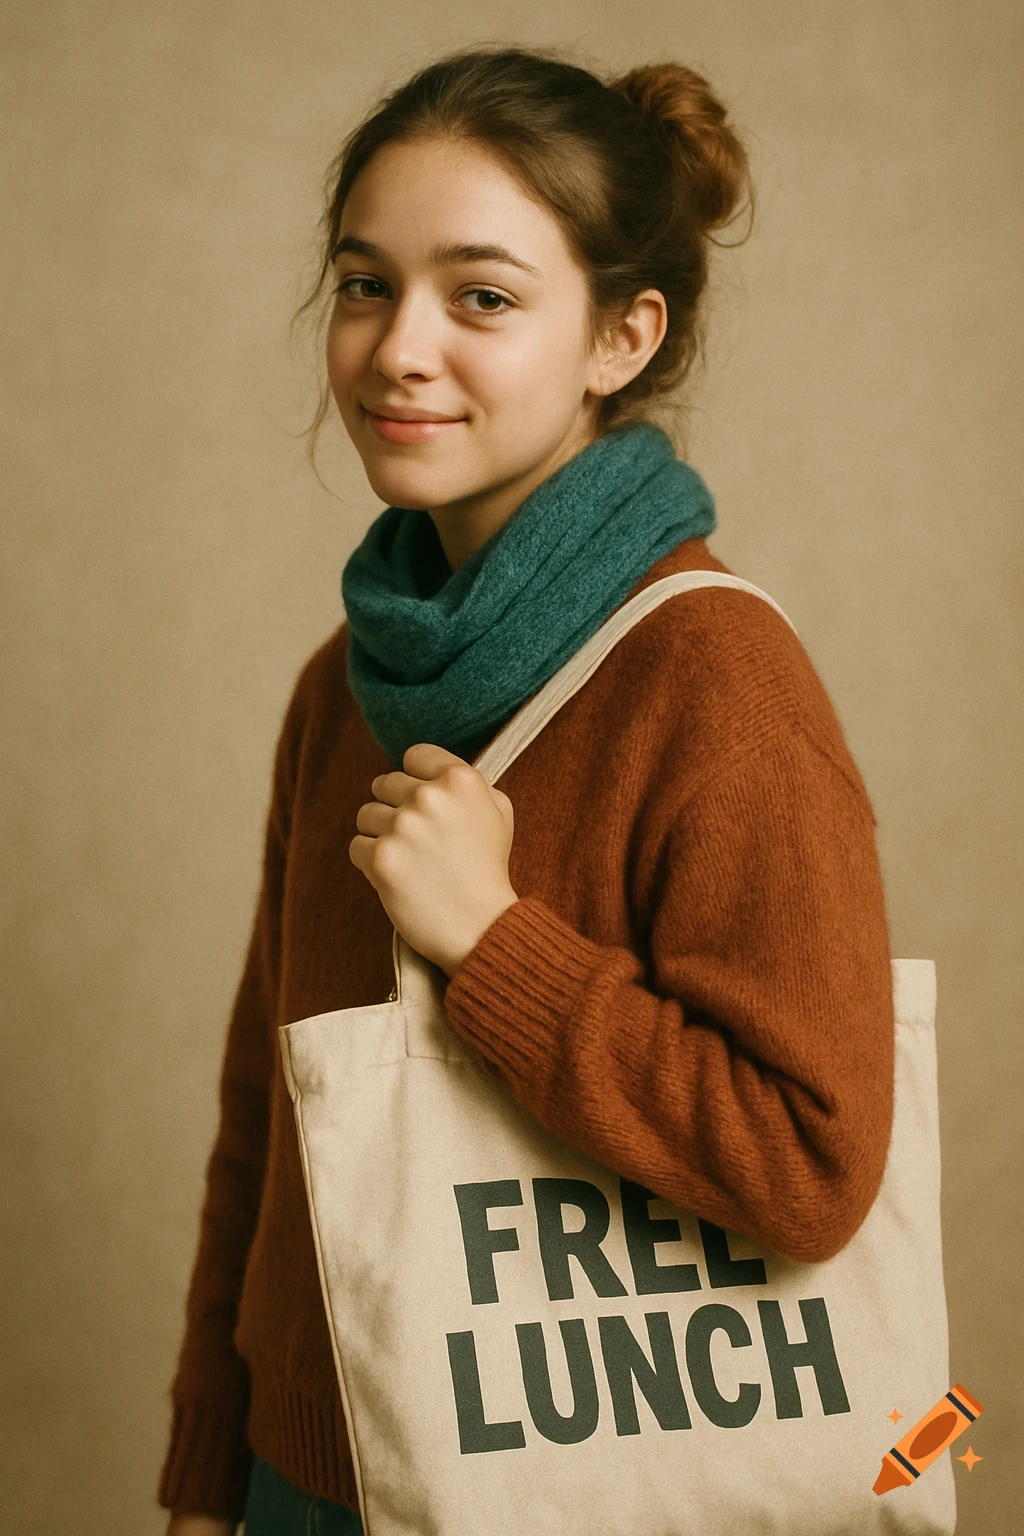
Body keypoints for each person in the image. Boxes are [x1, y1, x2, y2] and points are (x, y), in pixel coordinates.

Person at [158, 42, 896, 1536]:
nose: (399, 348)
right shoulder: (343, 685)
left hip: (567, 1488)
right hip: (303, 1482)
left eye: (482, 297)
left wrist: (496, 943)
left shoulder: (716, 683)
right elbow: (270, 1117)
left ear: (622, 335)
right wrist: (209, 1475)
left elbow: (812, 1164)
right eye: (365, 285)